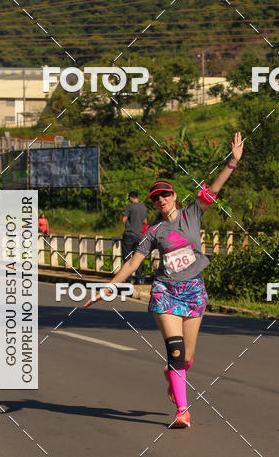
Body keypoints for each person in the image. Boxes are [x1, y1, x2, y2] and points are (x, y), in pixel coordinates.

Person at [85, 132, 244, 428]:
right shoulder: (153, 232)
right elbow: (133, 263)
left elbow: (214, 187)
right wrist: (106, 288)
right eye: (156, 197)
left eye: (165, 194)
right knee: (176, 349)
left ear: (174, 196)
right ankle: (182, 410)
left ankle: (173, 374)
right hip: (166, 292)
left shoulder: (193, 214)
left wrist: (232, 163)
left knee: (187, 358)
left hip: (194, 290)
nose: (161, 199)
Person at [121, 191, 147, 285]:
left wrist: (124, 215)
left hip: (129, 235)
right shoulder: (143, 207)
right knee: (138, 257)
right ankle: (139, 278)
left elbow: (123, 220)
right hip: (139, 236)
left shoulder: (130, 206)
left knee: (127, 258)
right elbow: (145, 221)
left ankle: (128, 279)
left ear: (131, 197)